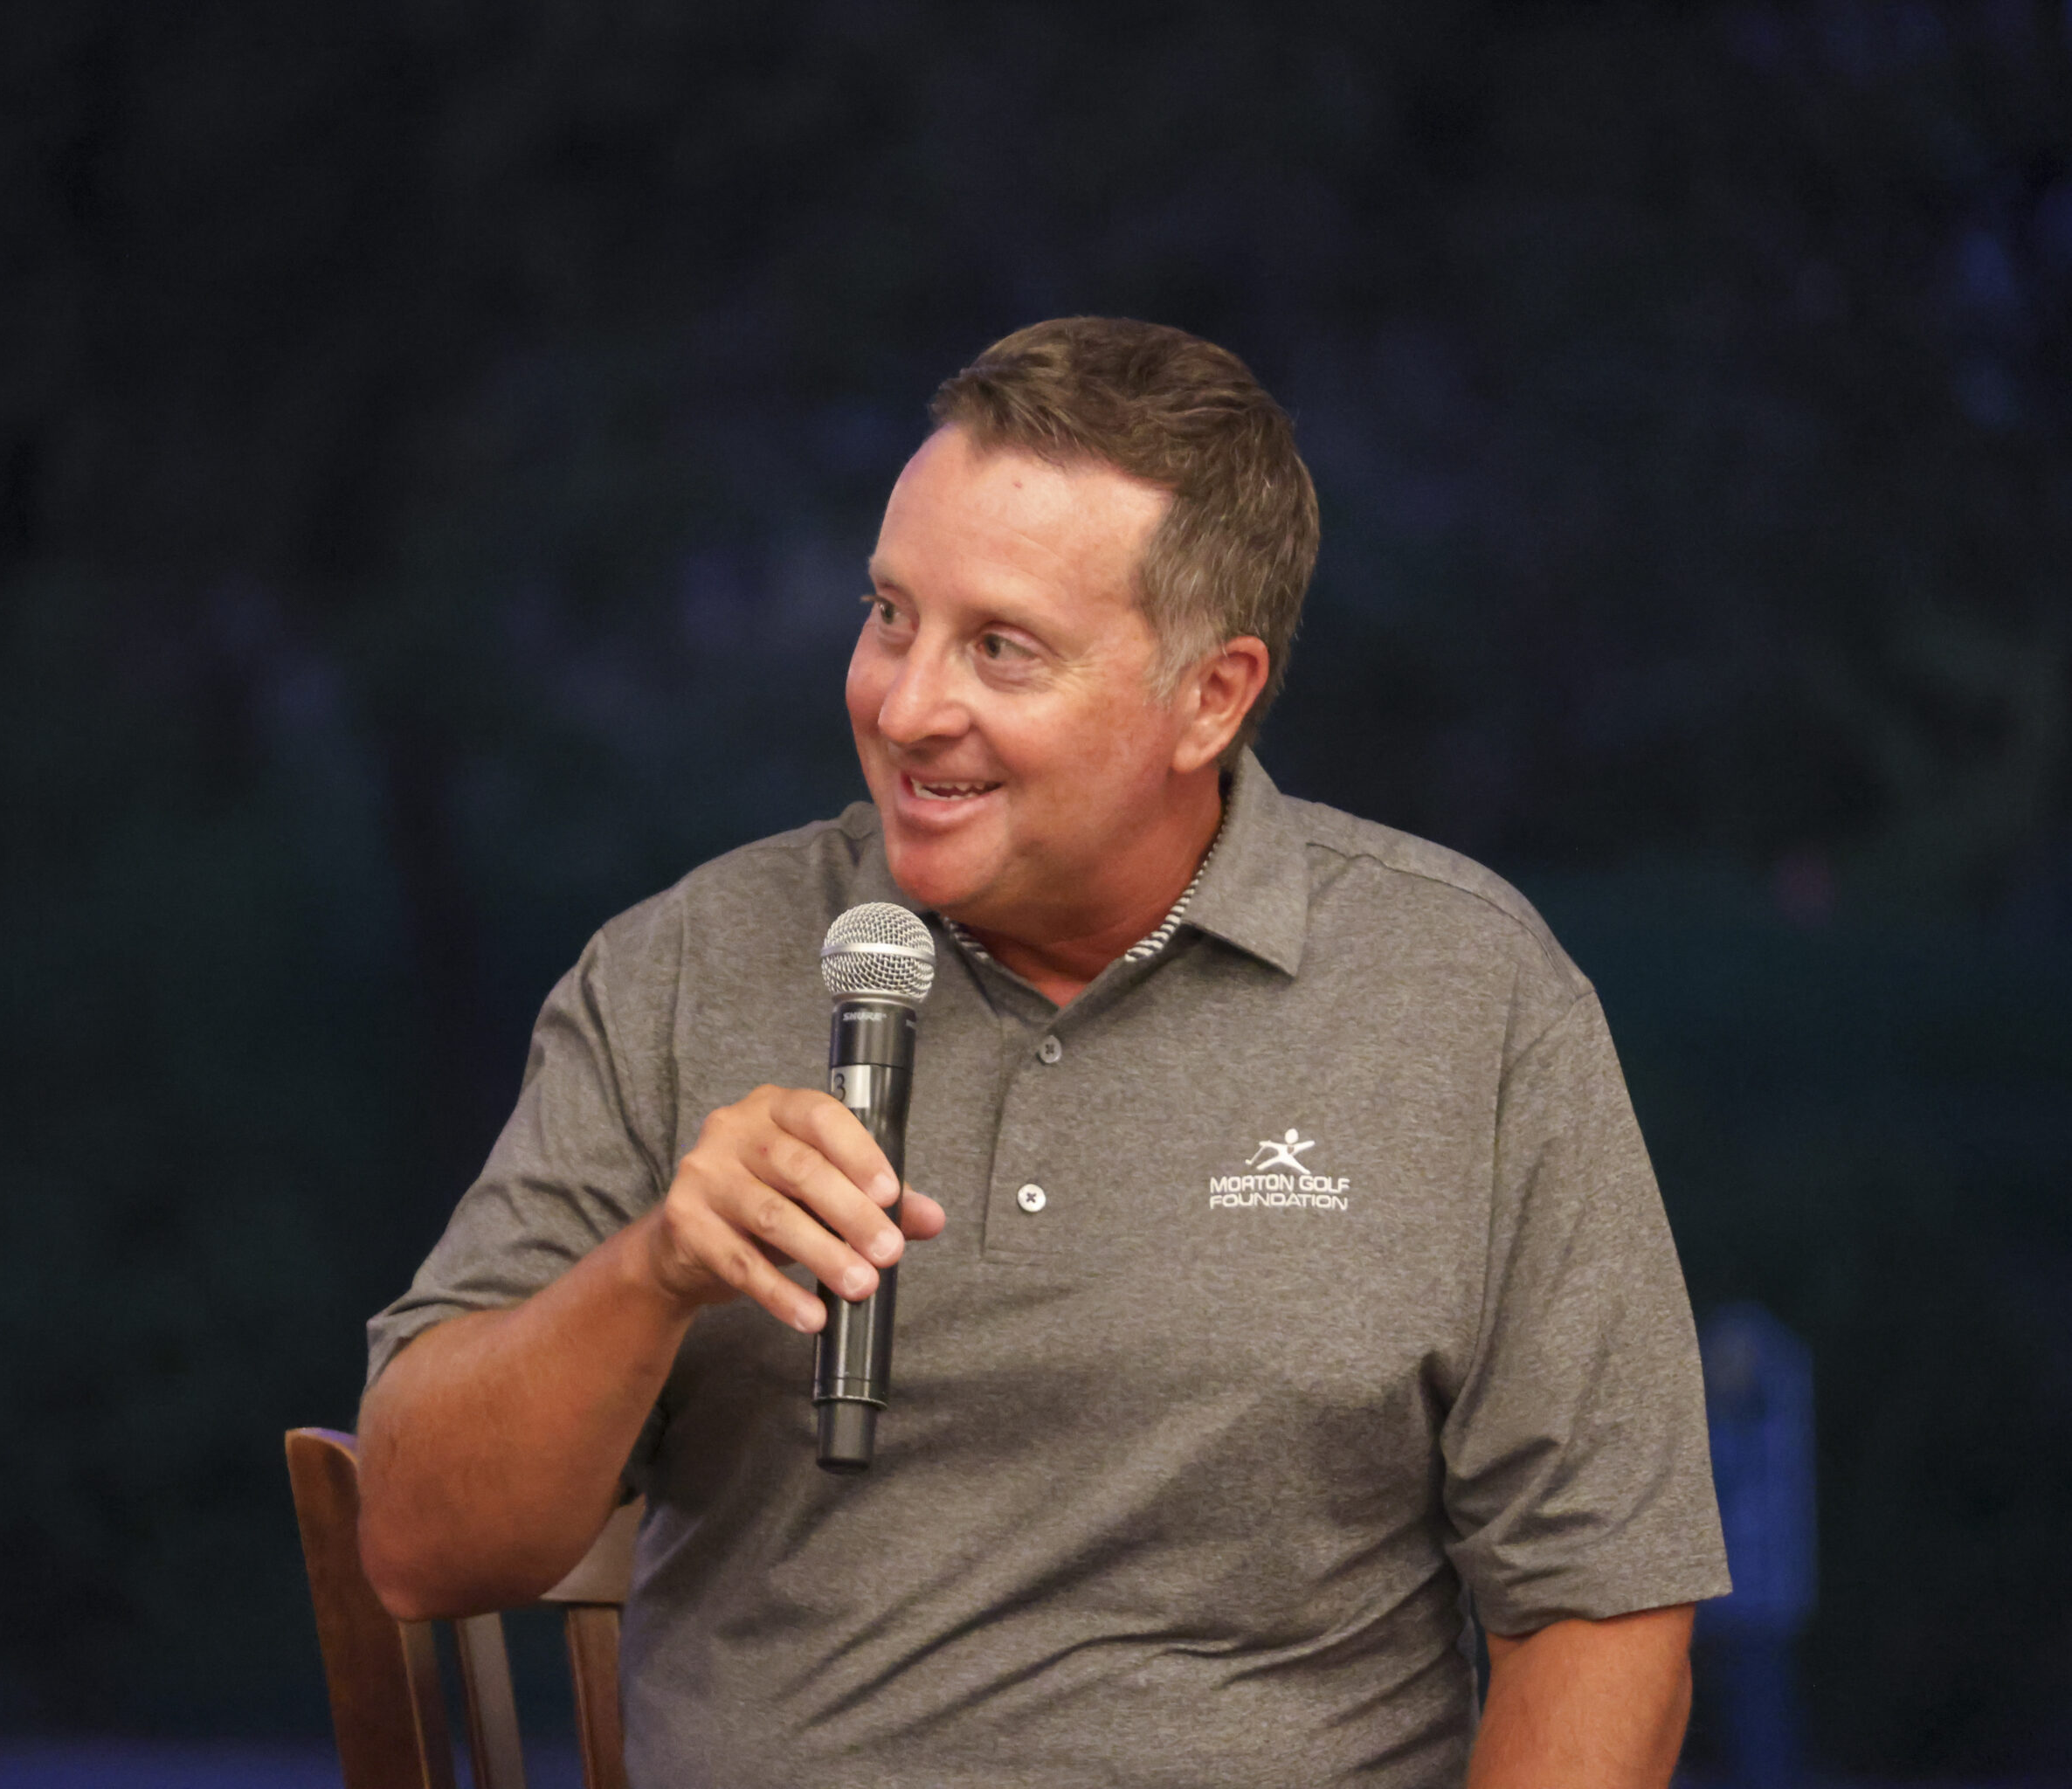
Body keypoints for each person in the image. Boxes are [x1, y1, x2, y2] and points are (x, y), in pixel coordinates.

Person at [356, 317, 1729, 1789]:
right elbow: (422, 1547)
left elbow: (1601, 1606)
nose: (905, 705)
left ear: (1212, 696)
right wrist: (656, 1271)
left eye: (1000, 649)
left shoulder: (1468, 994)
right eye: (891, 616)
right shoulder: (686, 968)